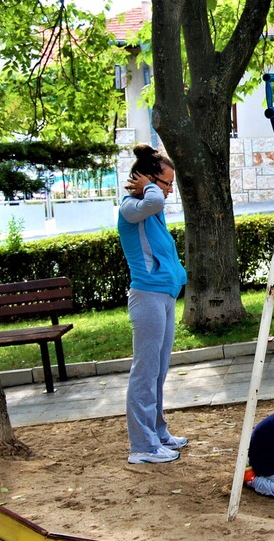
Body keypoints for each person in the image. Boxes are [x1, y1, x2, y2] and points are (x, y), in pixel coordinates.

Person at [118, 144, 188, 464]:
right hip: (146, 297)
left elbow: (157, 200)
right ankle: (142, 447)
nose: (170, 191)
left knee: (158, 371)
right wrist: (149, 187)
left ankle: (158, 432)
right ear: (147, 180)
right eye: (166, 183)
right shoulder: (131, 207)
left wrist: (153, 187)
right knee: (145, 372)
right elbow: (155, 198)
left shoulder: (152, 210)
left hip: (163, 296)